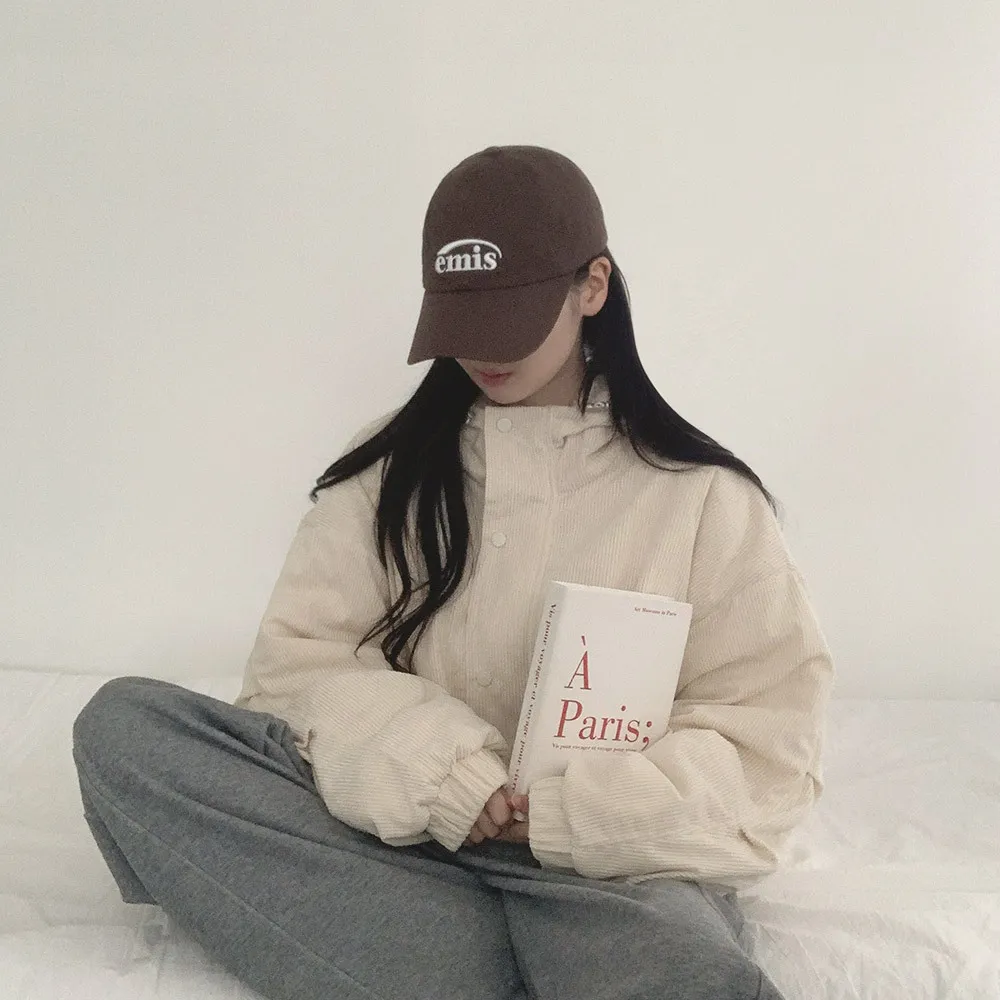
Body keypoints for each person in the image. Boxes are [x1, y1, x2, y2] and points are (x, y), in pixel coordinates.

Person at [72, 145, 833, 1000]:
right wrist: (442, 777)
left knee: (678, 963)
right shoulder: (384, 472)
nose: (480, 352)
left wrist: (565, 816)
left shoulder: (702, 498)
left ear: (592, 286)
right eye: (461, 320)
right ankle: (466, 955)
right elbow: (293, 675)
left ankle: (447, 960)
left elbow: (766, 745)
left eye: (508, 319)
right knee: (125, 729)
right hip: (394, 838)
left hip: (609, 874)